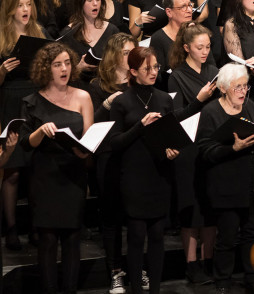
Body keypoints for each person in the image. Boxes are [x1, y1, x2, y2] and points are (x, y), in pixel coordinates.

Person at [19, 42, 94, 294]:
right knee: (48, 241)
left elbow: (90, 139)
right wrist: (41, 131)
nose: (64, 69)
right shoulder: (31, 102)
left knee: (72, 240)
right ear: (46, 68)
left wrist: (83, 150)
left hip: (73, 175)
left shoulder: (83, 96)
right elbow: (25, 143)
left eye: (67, 63)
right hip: (45, 176)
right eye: (57, 64)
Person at [108, 46, 182, 294]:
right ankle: (138, 290)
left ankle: (156, 290)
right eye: (147, 68)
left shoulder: (164, 99)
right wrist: (140, 125)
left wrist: (172, 150)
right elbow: (115, 143)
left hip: (159, 174)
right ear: (133, 71)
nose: (153, 72)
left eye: (156, 67)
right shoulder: (121, 102)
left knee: (158, 234)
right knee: (137, 235)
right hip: (133, 176)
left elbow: (171, 136)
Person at [196, 63, 254, 293]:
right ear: (224, 88)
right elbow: (205, 152)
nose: (242, 91)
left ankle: (252, 277)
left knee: (252, 235)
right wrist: (233, 148)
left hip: (253, 183)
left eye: (245, 86)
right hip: (226, 186)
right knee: (227, 239)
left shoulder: (249, 106)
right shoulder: (211, 112)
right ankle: (223, 282)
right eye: (237, 86)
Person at [168, 22, 218, 283]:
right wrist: (198, 100)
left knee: (209, 208)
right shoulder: (176, 75)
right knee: (191, 209)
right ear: (186, 48)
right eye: (200, 47)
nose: (205, 52)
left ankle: (208, 259)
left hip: (211, 144)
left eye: (208, 47)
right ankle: (191, 264)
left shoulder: (213, 70)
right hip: (188, 148)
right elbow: (174, 116)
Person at [86, 32, 135, 294]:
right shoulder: (97, 86)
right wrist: (107, 103)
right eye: (125, 53)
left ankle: (138, 267)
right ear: (114, 56)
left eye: (132, 52)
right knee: (112, 217)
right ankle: (115, 270)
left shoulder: (138, 82)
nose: (130, 57)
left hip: (135, 155)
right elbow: (91, 123)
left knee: (137, 215)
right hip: (108, 155)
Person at [0, 0, 47, 250]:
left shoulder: (38, 33)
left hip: (35, 101)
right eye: (19, 5)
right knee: (13, 170)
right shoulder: (1, 37)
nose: (26, 10)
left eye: (28, 4)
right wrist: (2, 71)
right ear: (10, 9)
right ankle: (11, 228)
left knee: (35, 169)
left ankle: (36, 227)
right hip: (9, 101)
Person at [58, 0, 120, 84]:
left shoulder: (112, 30)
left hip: (106, 86)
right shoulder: (67, 34)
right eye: (89, 0)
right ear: (80, 3)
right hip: (78, 88)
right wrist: (79, 67)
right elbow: (59, 73)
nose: (95, 4)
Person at [148, 0, 194, 86]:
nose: (190, 10)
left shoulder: (196, 32)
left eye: (190, 5)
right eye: (183, 7)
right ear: (169, 12)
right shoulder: (158, 38)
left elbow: (210, 64)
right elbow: (158, 75)